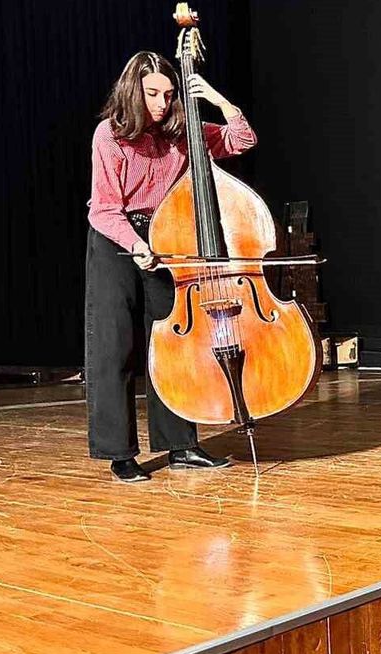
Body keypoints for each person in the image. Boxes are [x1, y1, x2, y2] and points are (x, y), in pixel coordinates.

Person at [86, 51, 257, 482]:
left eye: (168, 94)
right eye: (152, 94)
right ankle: (119, 454)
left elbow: (242, 140)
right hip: (115, 239)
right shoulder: (110, 134)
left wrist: (219, 101)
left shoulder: (182, 132)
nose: (161, 103)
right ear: (133, 91)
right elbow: (104, 208)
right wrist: (135, 244)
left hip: (168, 237)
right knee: (114, 344)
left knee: (171, 345)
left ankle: (181, 445)